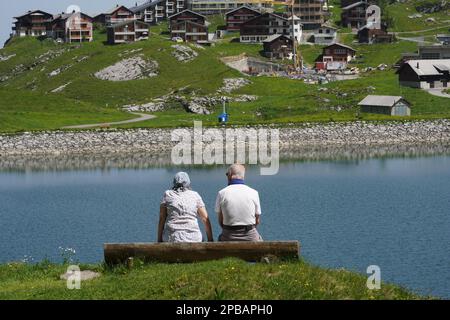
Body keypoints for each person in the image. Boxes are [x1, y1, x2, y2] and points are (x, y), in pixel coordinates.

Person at [158, 172, 213, 242]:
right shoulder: (195, 195)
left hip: (172, 238)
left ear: (174, 183)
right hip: (193, 239)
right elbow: (205, 218)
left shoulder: (168, 194)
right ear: (188, 183)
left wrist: (159, 240)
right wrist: (210, 239)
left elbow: (162, 218)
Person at [215, 164, 263, 241]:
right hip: (250, 236)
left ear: (230, 175)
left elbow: (221, 221)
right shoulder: (254, 193)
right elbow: (257, 221)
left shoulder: (222, 193)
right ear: (243, 176)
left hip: (228, 236)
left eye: (227, 174)